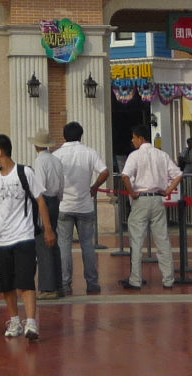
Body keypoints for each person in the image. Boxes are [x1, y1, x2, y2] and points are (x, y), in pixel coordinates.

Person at [0, 133, 54, 341]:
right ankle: (14, 320)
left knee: (26, 280)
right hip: (1, 238)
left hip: (24, 235)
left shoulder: (24, 172)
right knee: (6, 283)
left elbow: (40, 200)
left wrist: (48, 229)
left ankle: (31, 322)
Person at [118, 125, 181, 290]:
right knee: (162, 240)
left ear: (140, 138)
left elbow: (125, 176)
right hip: (157, 199)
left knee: (137, 241)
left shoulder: (135, 155)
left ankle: (135, 279)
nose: (132, 141)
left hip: (141, 200)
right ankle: (168, 279)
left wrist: (132, 193)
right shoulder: (162, 155)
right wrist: (168, 190)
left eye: (134, 138)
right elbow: (178, 174)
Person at [55, 121, 108, 296]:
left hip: (64, 205)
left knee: (64, 246)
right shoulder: (89, 152)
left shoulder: (57, 155)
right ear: (81, 135)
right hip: (85, 205)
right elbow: (105, 171)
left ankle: (65, 283)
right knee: (87, 245)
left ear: (64, 136)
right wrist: (94, 187)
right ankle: (92, 283)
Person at [30, 130, 65, 298]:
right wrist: (58, 198)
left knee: (43, 243)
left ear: (36, 146)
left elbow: (39, 186)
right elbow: (62, 184)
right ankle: (58, 284)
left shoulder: (39, 161)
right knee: (53, 241)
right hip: (55, 201)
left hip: (43, 201)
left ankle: (48, 287)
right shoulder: (56, 160)